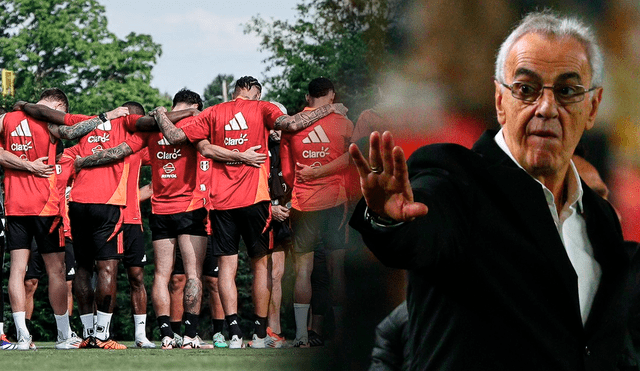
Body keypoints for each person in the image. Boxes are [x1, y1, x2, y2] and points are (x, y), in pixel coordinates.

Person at [349, 11, 632, 370]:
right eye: (526, 90)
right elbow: (423, 228)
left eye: (566, 91)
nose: (546, 108)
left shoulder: (602, 221)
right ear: (500, 101)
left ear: (592, 107)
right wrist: (391, 221)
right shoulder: (456, 178)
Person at [151, 75, 348, 348]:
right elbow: (292, 123)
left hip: (221, 203)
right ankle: (258, 333)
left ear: (235, 91)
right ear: (255, 93)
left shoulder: (213, 111)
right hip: (255, 199)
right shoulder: (263, 107)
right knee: (261, 267)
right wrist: (330, 109)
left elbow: (174, 137)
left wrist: (160, 114)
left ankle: (233, 334)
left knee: (227, 270)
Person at [2, 88, 117, 350]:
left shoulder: (7, 119)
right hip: (46, 207)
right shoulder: (51, 123)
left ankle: (22, 337)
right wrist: (107, 115)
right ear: (57, 105)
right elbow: (76, 130)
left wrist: (22, 164)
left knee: (17, 270)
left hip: (14, 205)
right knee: (57, 271)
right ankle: (63, 336)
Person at [281, 77, 353, 347]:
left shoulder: (293, 123)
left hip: (302, 204)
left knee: (303, 271)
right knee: (338, 271)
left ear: (308, 96)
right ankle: (343, 337)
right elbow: (352, 157)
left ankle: (301, 335)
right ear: (332, 95)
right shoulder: (344, 122)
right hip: (336, 201)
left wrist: (300, 183)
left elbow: (288, 172)